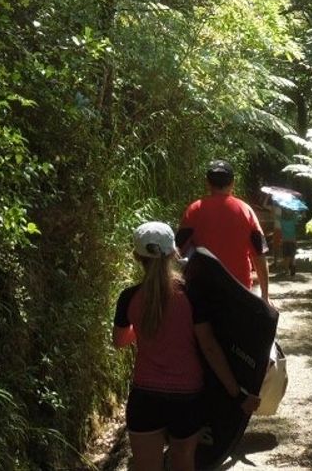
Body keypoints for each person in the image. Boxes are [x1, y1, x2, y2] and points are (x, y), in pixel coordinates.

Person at [113, 221, 261, 471]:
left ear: (137, 256)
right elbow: (210, 348)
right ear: (174, 252)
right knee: (183, 464)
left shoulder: (129, 297)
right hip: (187, 399)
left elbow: (119, 341)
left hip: (145, 397)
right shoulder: (192, 295)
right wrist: (238, 394)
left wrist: (144, 326)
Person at [176, 159, 270, 305]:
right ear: (233, 183)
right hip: (239, 291)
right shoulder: (246, 211)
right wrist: (265, 296)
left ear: (208, 183)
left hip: (204, 292)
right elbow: (259, 255)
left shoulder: (194, 210)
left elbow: (177, 250)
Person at [278, 206, 300, 277]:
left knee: (286, 257)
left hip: (285, 240)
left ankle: (287, 271)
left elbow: (274, 215)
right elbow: (299, 216)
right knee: (293, 256)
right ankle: (293, 268)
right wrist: (295, 211)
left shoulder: (281, 220)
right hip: (293, 240)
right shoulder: (294, 219)